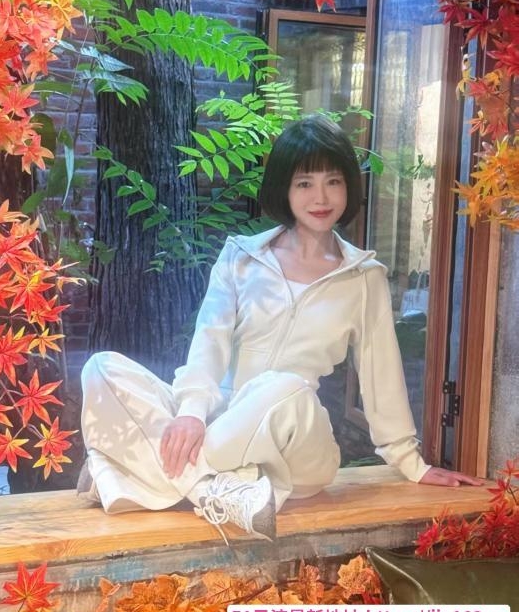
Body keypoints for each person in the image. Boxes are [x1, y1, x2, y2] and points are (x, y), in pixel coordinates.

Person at [79, 114, 481, 543]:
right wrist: (192, 413)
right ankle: (210, 489)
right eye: (305, 183)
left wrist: (411, 463)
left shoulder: (364, 277)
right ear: (284, 189)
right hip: (221, 425)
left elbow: (380, 375)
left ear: (348, 186)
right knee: (101, 368)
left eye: (333, 181)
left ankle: (133, 472)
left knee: (286, 385)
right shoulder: (241, 258)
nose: (321, 197)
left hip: (297, 446)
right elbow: (209, 342)